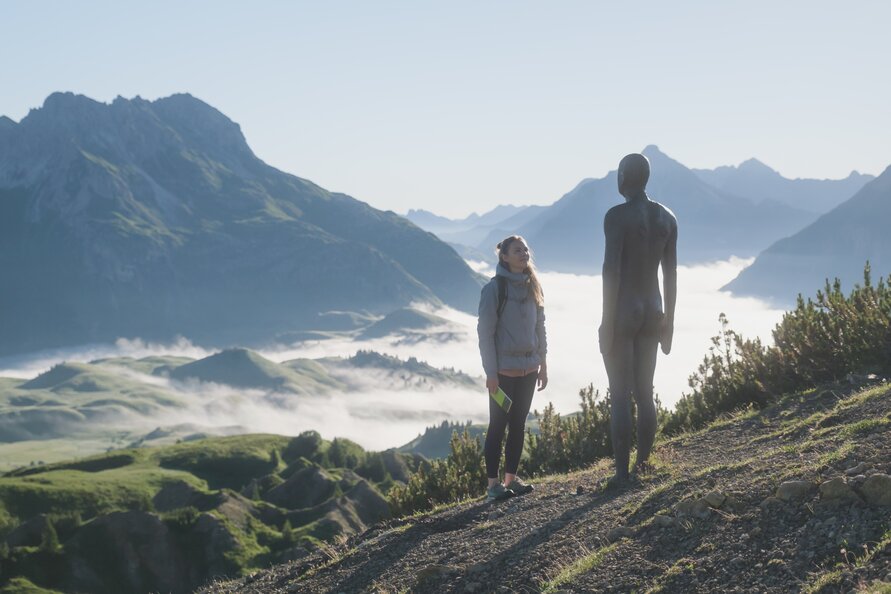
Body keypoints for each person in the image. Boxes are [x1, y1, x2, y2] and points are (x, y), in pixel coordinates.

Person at [599, 153, 677, 486]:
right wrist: (668, 321)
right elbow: (671, 273)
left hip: (624, 309)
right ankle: (643, 466)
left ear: (623, 177)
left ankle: (620, 475)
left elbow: (611, 270)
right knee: (646, 392)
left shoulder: (616, 217)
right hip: (654, 309)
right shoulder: (668, 218)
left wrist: (606, 321)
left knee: (620, 394)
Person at [478, 235, 548, 502]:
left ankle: (511, 479)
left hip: (529, 368)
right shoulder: (494, 289)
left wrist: (543, 364)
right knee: (498, 426)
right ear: (504, 257)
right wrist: (491, 372)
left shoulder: (534, 286)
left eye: (526, 249)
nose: (524, 253)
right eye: (517, 250)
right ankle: (493, 485)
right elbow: (485, 334)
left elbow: (540, 327)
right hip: (503, 372)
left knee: (518, 425)